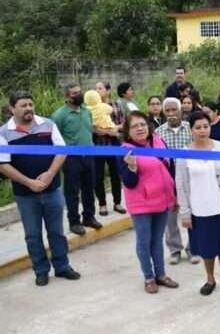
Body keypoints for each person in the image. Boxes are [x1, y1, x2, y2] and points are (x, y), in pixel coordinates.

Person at [0, 91, 80, 286]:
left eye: (30, 104)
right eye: (23, 105)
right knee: (33, 235)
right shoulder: (3, 133)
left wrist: (50, 174)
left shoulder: (47, 124)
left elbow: (61, 151)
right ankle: (41, 270)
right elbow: (3, 164)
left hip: (52, 189)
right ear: (12, 109)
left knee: (57, 232)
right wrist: (29, 182)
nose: (28, 108)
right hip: (26, 195)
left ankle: (62, 266)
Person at [176, 111, 220, 296]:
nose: (202, 130)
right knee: (206, 249)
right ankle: (210, 278)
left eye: (205, 126)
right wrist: (185, 212)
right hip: (199, 210)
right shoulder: (183, 154)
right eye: (198, 127)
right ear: (191, 130)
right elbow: (180, 184)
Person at [118, 111, 179, 294]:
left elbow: (170, 168)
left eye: (143, 124)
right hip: (141, 203)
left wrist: (174, 194)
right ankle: (149, 277)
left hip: (162, 198)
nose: (140, 128)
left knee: (158, 240)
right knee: (144, 241)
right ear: (128, 131)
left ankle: (160, 274)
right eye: (135, 126)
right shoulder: (124, 150)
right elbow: (129, 182)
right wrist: (132, 167)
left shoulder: (159, 141)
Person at [51, 84, 101, 236]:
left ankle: (89, 217)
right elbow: (55, 138)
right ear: (67, 97)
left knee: (89, 187)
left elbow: (90, 130)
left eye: (80, 92)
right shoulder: (59, 116)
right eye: (74, 94)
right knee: (72, 191)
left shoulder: (86, 111)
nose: (79, 95)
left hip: (89, 155)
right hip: (71, 158)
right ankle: (74, 221)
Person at [155, 98, 198, 265]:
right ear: (163, 112)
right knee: (170, 218)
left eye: (175, 110)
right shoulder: (158, 133)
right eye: (168, 111)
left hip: (191, 179)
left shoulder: (191, 129)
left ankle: (193, 249)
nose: (172, 114)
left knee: (192, 215)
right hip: (167, 181)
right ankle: (175, 250)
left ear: (181, 111)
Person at [92, 81, 126, 217]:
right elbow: (90, 126)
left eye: (100, 88)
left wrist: (112, 130)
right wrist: (100, 130)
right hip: (97, 146)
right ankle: (102, 204)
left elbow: (123, 123)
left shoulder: (116, 105)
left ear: (108, 91)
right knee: (98, 176)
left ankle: (117, 203)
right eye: (96, 89)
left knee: (116, 175)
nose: (97, 91)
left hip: (114, 145)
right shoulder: (91, 108)